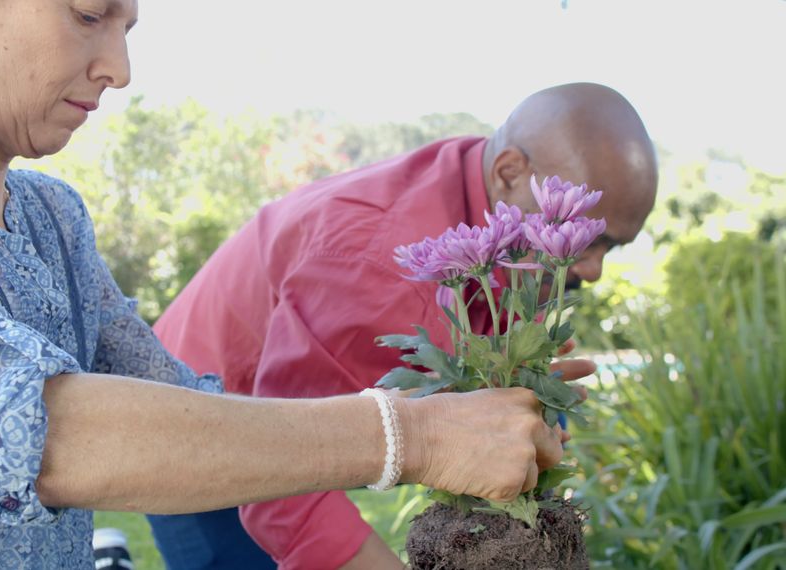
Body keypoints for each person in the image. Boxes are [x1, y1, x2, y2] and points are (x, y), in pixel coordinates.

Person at [0, 1, 581, 568]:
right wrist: (414, 435)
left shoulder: (51, 219)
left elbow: (189, 416)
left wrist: (472, 392)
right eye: (90, 16)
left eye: (129, 27)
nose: (119, 68)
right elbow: (42, 437)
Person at [150, 82, 658, 569]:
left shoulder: (489, 194)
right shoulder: (380, 266)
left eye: (610, 245)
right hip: (196, 417)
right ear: (509, 171)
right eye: (588, 238)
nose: (591, 269)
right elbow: (284, 492)